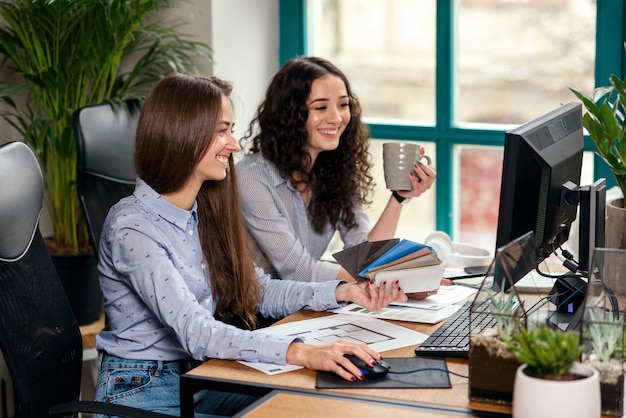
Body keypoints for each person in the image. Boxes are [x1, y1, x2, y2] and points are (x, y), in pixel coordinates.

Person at [93, 73, 407, 417]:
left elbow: (255, 289)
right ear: (184, 132)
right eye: (222, 131)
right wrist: (302, 352)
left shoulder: (202, 209)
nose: (234, 144)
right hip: (141, 389)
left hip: (199, 374)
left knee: (316, 404)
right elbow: (196, 331)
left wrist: (344, 292)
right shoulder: (132, 227)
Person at [236, 56, 437, 294]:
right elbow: (298, 271)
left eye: (343, 105)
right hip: (258, 316)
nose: (337, 117)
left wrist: (399, 198)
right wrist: (392, 282)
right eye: (321, 107)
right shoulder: (252, 177)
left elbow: (363, 254)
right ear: (290, 115)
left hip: (311, 304)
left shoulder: (335, 170)